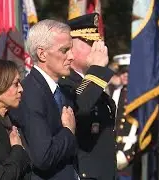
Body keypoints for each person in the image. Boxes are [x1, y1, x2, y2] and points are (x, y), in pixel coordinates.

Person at [9, 19, 78, 180]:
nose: (71, 56)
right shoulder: (29, 93)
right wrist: (68, 131)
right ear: (42, 54)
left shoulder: (61, 90)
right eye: (64, 50)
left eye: (71, 50)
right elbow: (43, 157)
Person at [59, 13, 116, 180]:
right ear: (70, 48)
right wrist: (97, 69)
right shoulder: (64, 81)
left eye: (97, 41)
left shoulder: (91, 82)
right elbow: (79, 106)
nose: (96, 47)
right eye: (89, 42)